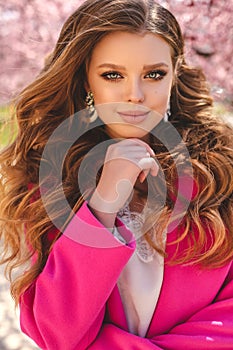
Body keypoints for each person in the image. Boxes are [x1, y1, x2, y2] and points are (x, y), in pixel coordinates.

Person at [0, 0, 233, 349]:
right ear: (86, 81)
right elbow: (57, 335)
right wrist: (101, 205)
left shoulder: (222, 174)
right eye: (113, 75)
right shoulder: (47, 184)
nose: (135, 95)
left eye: (154, 74)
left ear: (173, 74)